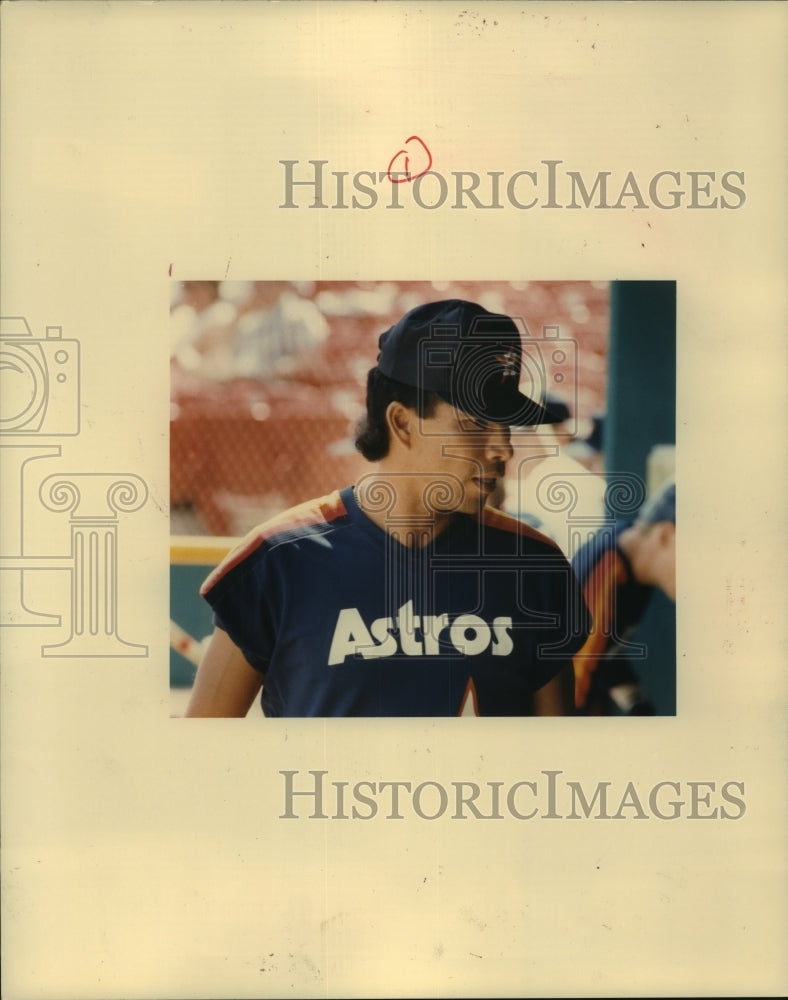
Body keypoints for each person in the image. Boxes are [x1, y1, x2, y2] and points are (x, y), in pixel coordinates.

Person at [185, 299, 591, 718]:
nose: (501, 448)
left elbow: (555, 761)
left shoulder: (535, 566)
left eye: (504, 424)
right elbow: (204, 757)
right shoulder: (277, 560)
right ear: (400, 423)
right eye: (474, 424)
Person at [571, 477, 676, 715]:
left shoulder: (631, 558)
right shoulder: (607, 569)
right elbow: (573, 681)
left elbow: (605, 656)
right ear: (665, 536)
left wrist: (639, 707)